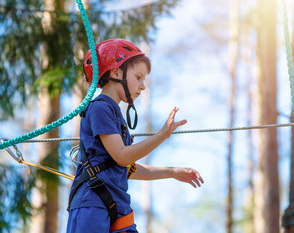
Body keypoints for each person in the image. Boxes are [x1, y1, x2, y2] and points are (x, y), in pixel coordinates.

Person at [66, 39, 204, 233]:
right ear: (115, 73)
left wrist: (172, 172)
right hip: (93, 203)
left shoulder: (114, 114)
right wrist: (162, 135)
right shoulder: (100, 108)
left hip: (117, 205)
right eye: (138, 77)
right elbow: (122, 157)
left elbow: (126, 167)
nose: (142, 86)